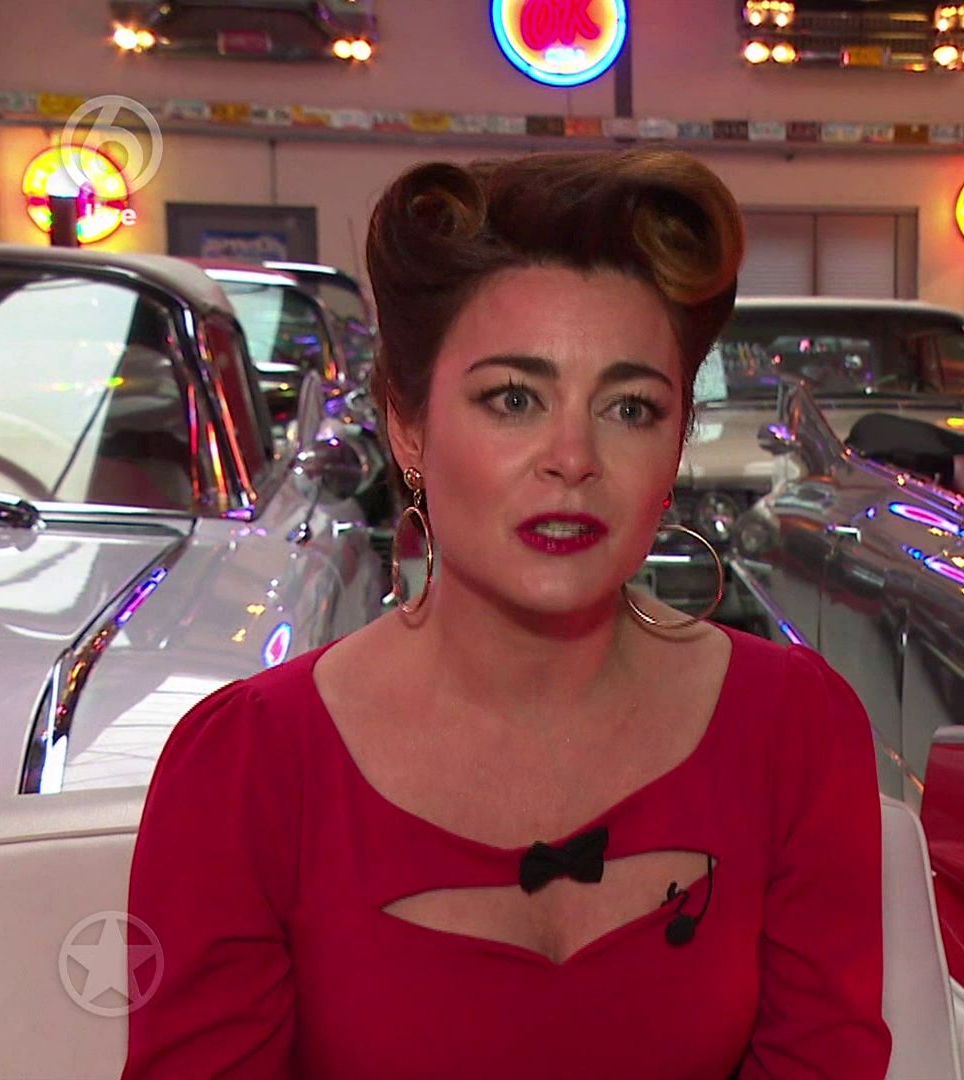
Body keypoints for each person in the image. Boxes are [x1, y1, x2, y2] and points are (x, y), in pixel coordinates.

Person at [123, 149, 890, 1079]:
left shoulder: (795, 729)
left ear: (677, 443)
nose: (573, 457)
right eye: (514, 399)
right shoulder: (247, 768)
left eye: (631, 408)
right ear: (408, 425)